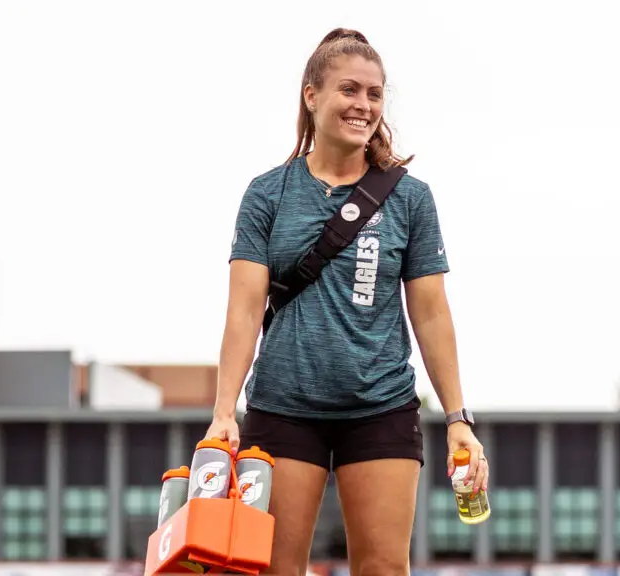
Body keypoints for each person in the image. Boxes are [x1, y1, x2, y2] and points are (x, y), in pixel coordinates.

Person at [205, 28, 489, 575]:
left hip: (380, 408)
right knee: (272, 568)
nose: (363, 105)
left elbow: (431, 313)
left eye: (375, 94)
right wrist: (223, 411)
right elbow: (242, 310)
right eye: (350, 90)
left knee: (384, 568)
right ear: (312, 96)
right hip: (284, 406)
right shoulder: (268, 194)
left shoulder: (409, 196)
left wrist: (458, 418)